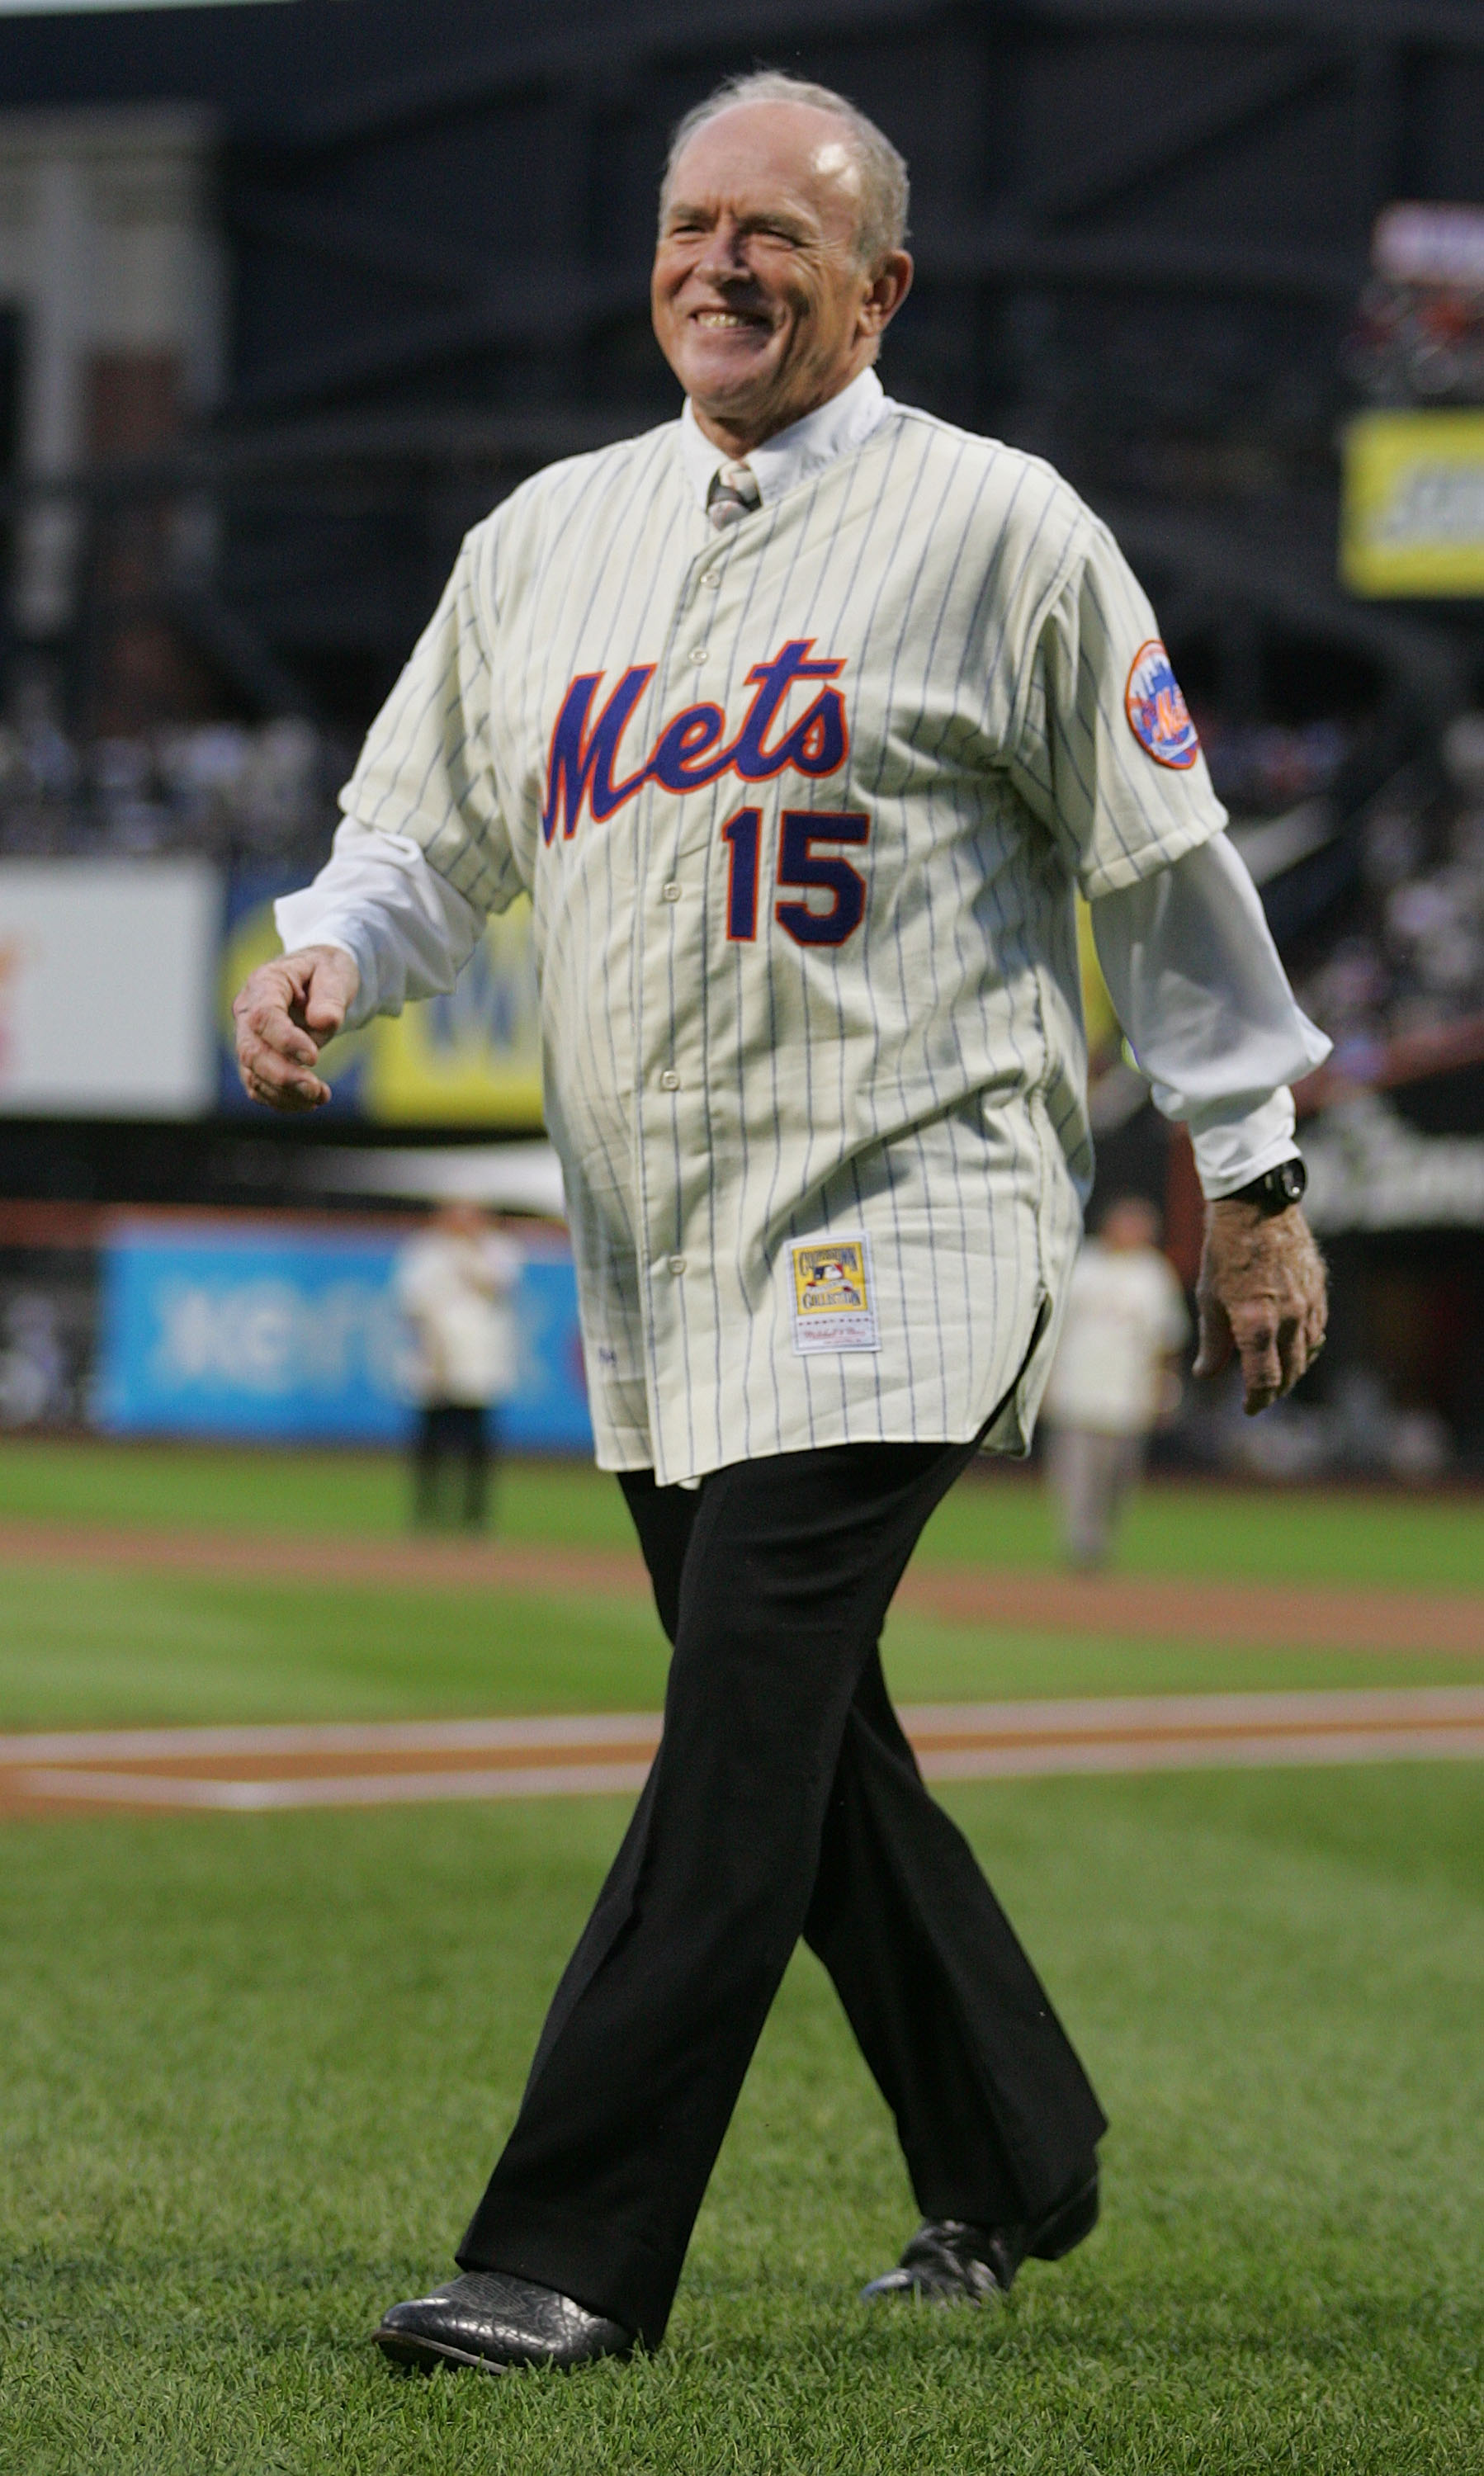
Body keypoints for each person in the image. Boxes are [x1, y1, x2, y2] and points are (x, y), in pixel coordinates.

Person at [231, 71, 1330, 2374]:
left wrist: (1251, 1184)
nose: (716, 267)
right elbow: (421, 835)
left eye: (775, 238)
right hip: (662, 1249)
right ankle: (1010, 2146)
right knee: (811, 1753)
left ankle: (564, 2253)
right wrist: (334, 943)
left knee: (735, 1741)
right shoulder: (547, 538)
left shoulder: (999, 531)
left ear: (877, 288)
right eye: (686, 224)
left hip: (908, 1216)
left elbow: (1164, 872)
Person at [1041, 1194, 1190, 1570]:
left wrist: (1164, 1388)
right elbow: (1051, 1329)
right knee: (1074, 1477)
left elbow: (1167, 1338)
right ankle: (1081, 1548)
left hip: (1128, 1396)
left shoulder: (1154, 1273)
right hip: (1075, 1390)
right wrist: (1042, 1383)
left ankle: (1101, 1542)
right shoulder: (1082, 1264)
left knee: (1117, 1482)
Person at [395, 1201, 522, 1530]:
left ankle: (475, 1515)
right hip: (434, 1359)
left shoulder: (498, 1247)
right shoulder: (424, 1249)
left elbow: (498, 1284)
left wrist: (468, 1252)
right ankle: (426, 1514)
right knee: (430, 1442)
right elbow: (411, 1303)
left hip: (480, 1362)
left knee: (477, 1444)